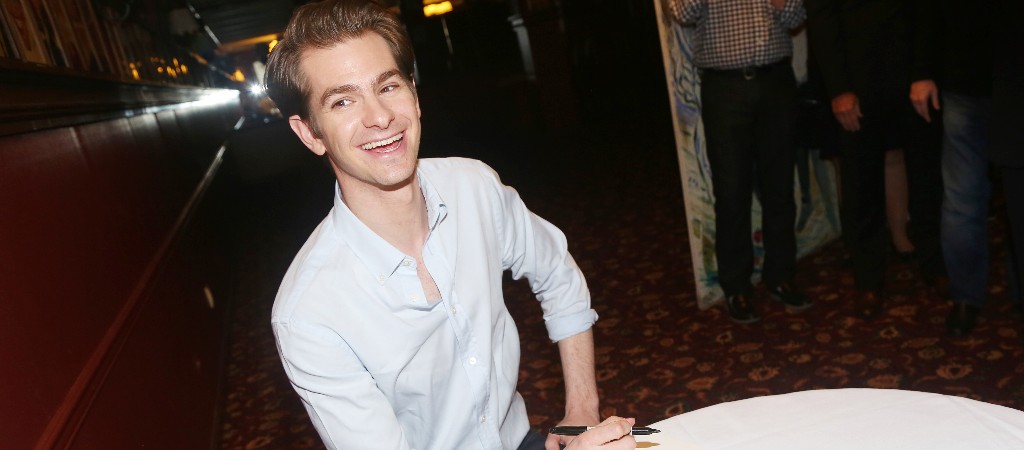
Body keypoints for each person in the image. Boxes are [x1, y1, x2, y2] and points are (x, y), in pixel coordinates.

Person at [263, 1, 636, 449]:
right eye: (343, 101)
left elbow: (557, 272)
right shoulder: (309, 315)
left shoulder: (473, 186)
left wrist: (581, 413)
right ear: (310, 133)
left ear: (415, 96)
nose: (380, 116)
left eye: (388, 86)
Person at [668, 0, 812, 323]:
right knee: (731, 191)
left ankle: (781, 276)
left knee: (780, 187)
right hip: (725, 87)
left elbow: (797, 16)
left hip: (776, 81)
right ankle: (736, 287)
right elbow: (682, 11)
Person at [805, 0, 945, 319]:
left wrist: (923, 71)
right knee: (860, 184)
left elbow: (926, 10)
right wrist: (839, 89)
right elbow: (822, 19)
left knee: (927, 177)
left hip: (913, 77)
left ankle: (936, 263)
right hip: (855, 83)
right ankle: (868, 280)